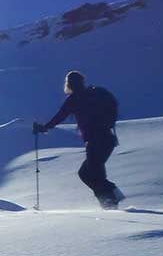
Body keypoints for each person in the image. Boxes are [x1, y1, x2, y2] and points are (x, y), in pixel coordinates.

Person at [33, 70, 125, 209]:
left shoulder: (74, 99)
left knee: (88, 173)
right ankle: (111, 198)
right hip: (108, 139)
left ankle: (110, 201)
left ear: (69, 84)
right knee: (91, 172)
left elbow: (60, 116)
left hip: (95, 141)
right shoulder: (95, 94)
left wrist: (44, 128)